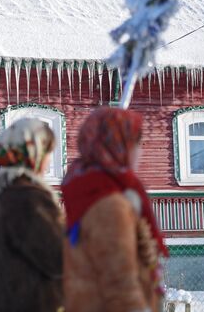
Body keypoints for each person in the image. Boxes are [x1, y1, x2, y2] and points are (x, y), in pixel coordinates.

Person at [61, 107, 168, 312]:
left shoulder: (88, 189)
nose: (140, 152)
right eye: (135, 143)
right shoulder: (110, 206)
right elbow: (120, 285)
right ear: (117, 147)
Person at [0, 118, 64, 312]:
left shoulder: (9, 193)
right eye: (46, 152)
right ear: (32, 153)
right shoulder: (28, 198)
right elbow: (59, 257)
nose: (47, 161)